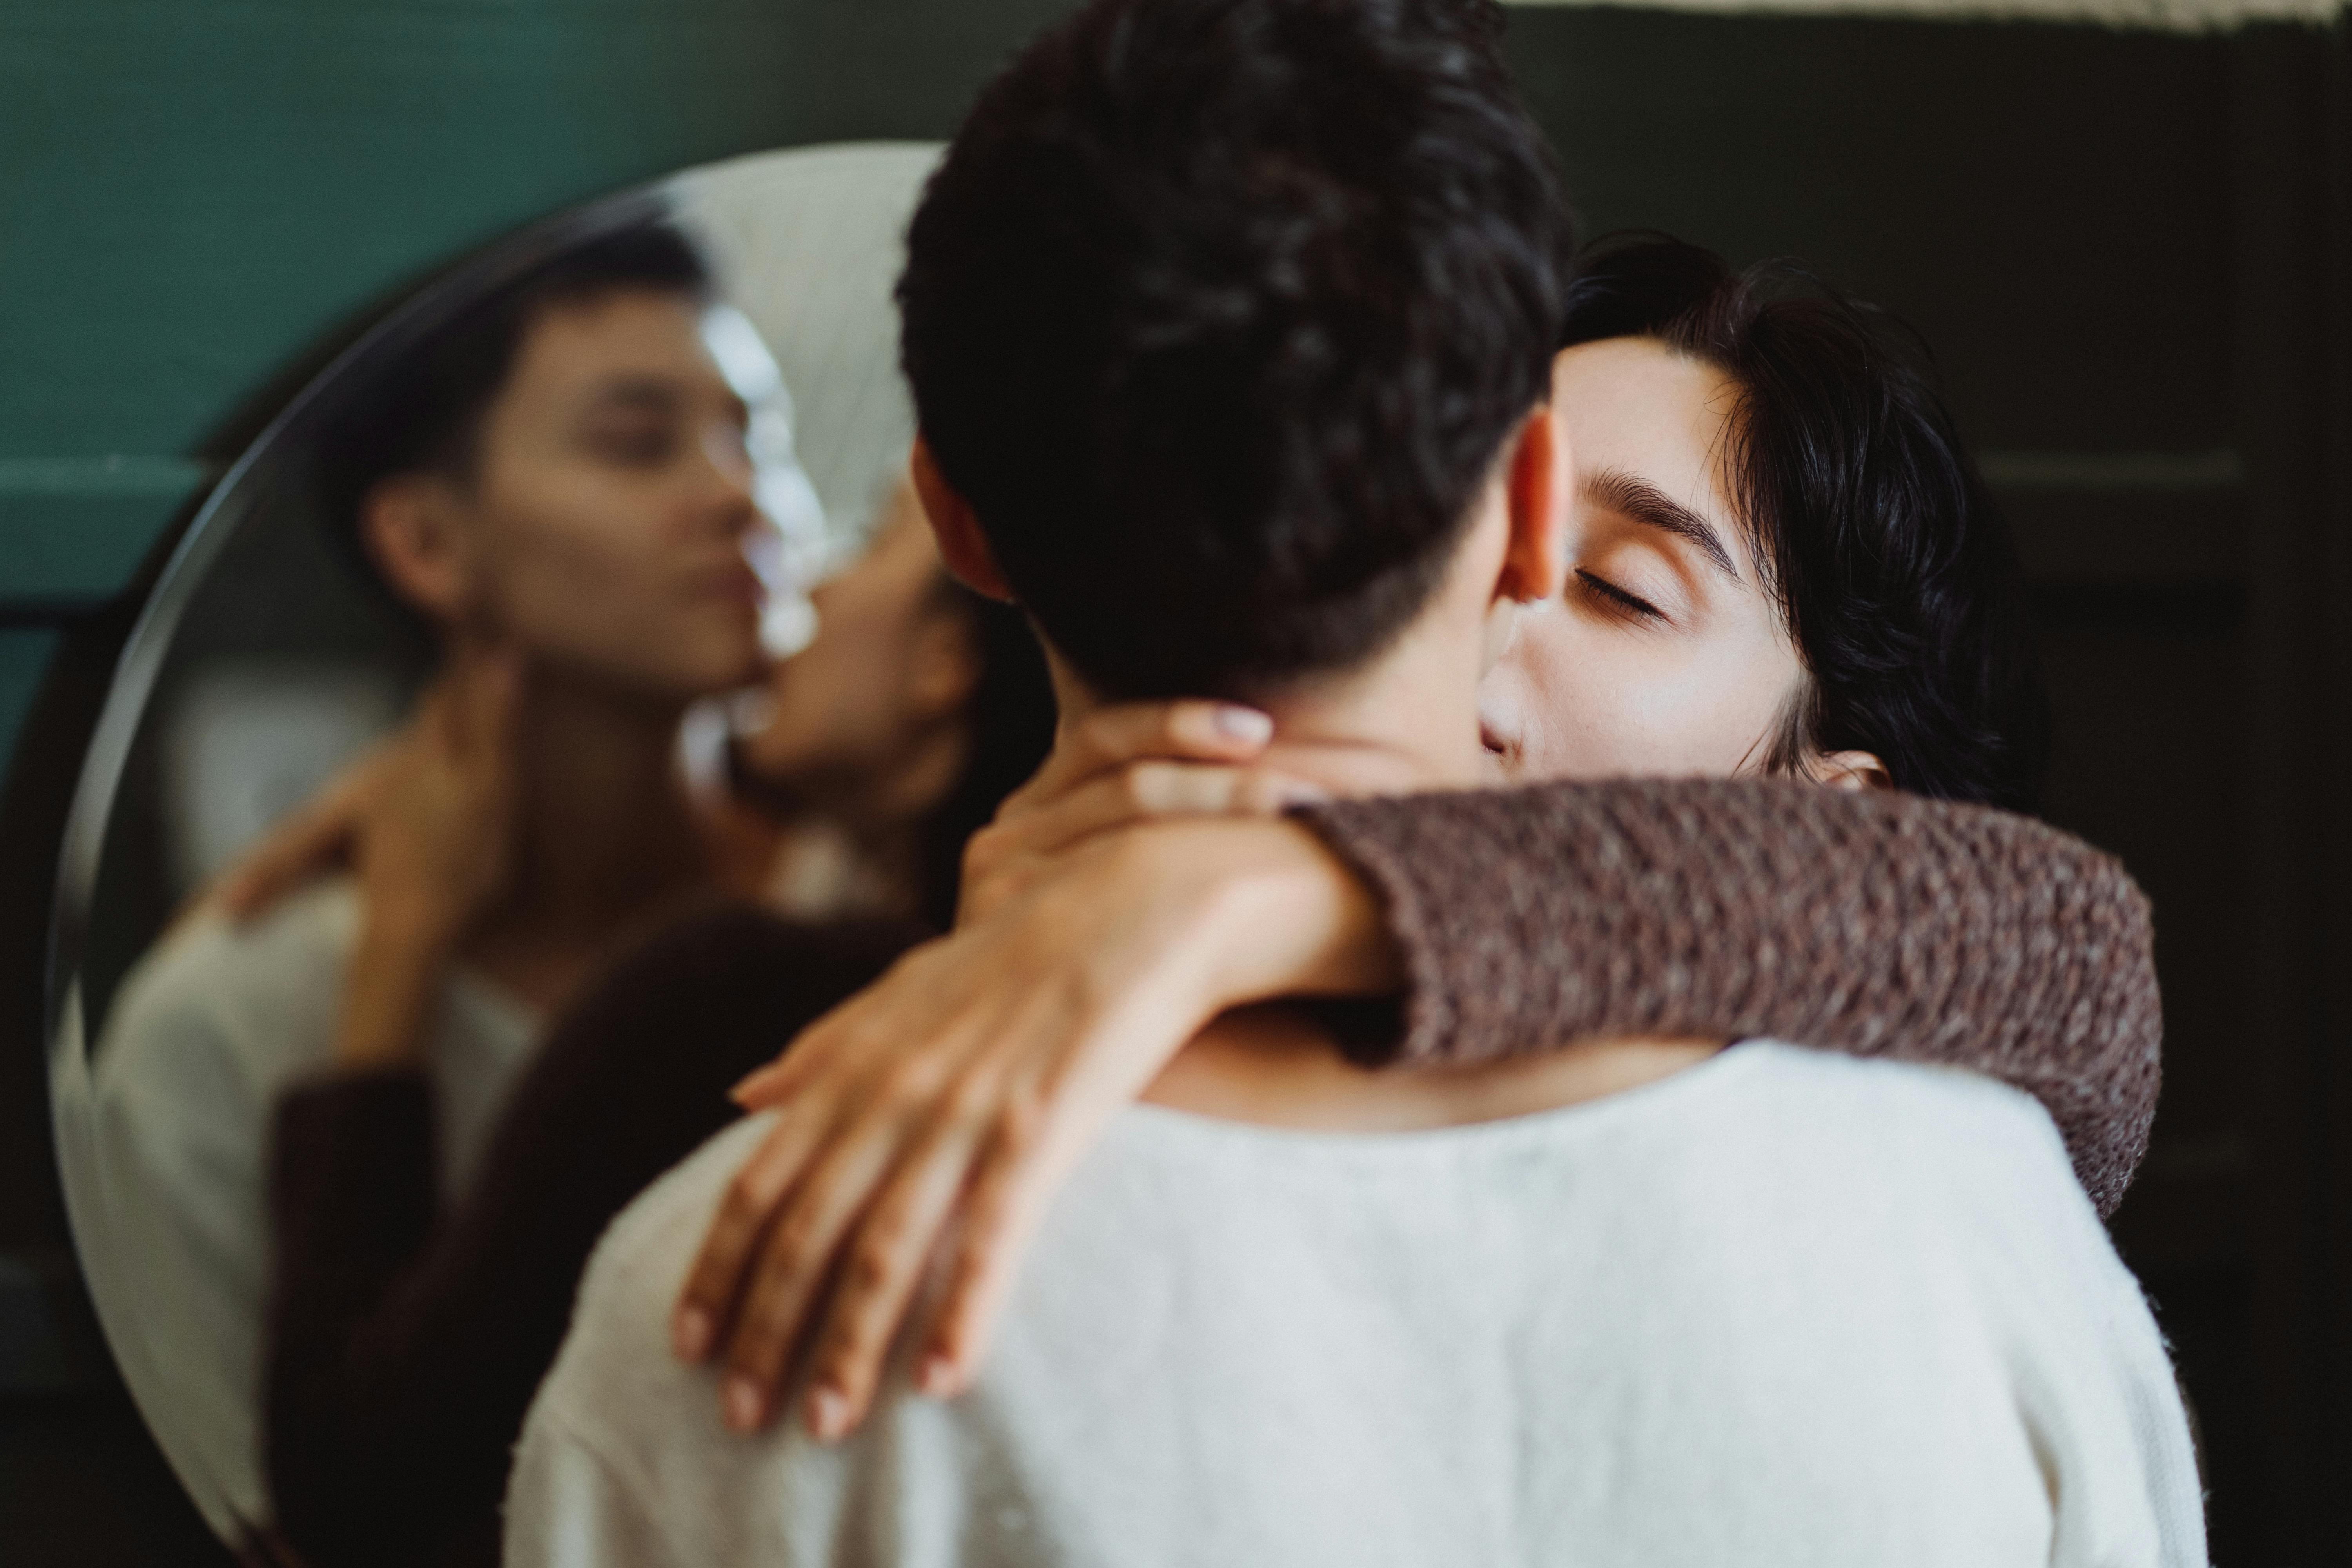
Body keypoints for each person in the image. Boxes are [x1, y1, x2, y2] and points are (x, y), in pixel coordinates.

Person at [508, 3, 2201, 1563]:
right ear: (1510, 497)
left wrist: (1285, 892)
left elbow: (2061, 948)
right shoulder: (1963, 1230)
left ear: (959, 520)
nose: (1488, 628)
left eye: (1626, 594)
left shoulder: (734, 1284)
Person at [88, 218, 784, 1542]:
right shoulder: (227, 1023)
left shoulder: (882, 913)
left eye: (759, 433)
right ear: (427, 543)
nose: (740, 495)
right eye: (640, 443)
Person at [255, 478, 1059, 1568]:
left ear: (944, 665)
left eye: (870, 548)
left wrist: (397, 949)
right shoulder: (1038, 986)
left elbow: (348, 1480)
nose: (813, 585)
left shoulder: (738, 993)